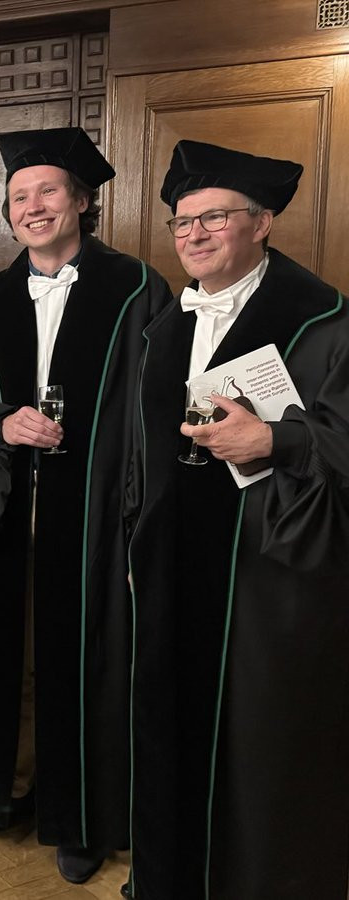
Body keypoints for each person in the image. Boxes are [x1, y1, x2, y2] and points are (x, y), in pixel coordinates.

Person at [0, 128, 173, 884]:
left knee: (85, 652)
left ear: (80, 200)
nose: (32, 207)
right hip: (9, 503)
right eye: (18, 197)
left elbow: (160, 406)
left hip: (98, 506)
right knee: (3, 649)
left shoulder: (135, 289)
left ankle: (82, 816)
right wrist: (3, 423)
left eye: (46, 191)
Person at [125, 140, 349, 900]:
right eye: (182, 222)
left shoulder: (325, 322)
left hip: (267, 576)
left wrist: (277, 441)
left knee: (262, 741)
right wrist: (138, 538)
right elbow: (142, 448)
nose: (193, 235)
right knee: (169, 722)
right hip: (174, 560)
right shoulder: (167, 325)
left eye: (214, 218)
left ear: (262, 223)